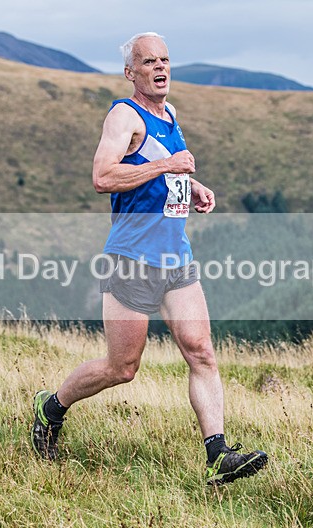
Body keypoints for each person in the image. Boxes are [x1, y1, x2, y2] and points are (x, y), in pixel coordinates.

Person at [31, 32, 268, 485]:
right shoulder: (125, 115)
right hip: (131, 259)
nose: (160, 68)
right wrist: (166, 168)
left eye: (165, 60)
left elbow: (166, 167)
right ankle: (51, 406)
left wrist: (192, 188)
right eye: (148, 62)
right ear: (130, 72)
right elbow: (103, 176)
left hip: (176, 257)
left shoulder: (170, 114)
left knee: (202, 353)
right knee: (123, 368)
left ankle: (218, 455)